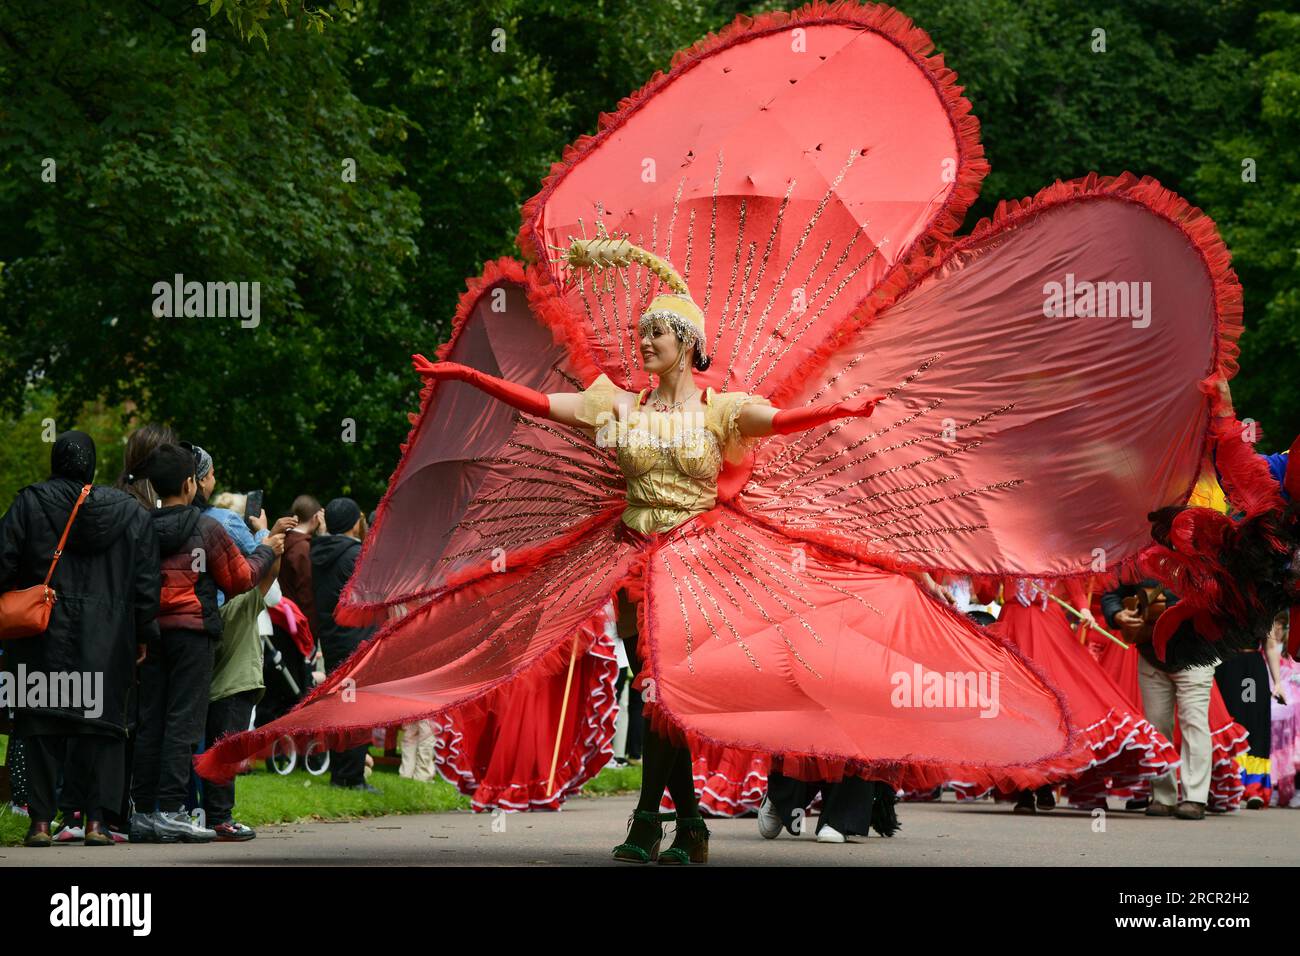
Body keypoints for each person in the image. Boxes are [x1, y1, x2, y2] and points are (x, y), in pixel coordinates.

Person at [0, 431, 160, 847]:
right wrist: (144, 633)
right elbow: (146, 581)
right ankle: (96, 823)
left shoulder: (29, 503)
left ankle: (38, 823)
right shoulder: (130, 513)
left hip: (40, 636)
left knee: (39, 725)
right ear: (92, 466)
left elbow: (4, 561)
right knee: (102, 729)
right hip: (108, 638)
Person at [129, 443, 280, 843]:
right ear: (189, 482)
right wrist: (266, 548)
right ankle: (174, 811)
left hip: (151, 636)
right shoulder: (206, 528)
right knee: (184, 721)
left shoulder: (140, 525)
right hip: (193, 635)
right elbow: (240, 578)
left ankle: (143, 812)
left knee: (151, 722)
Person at [201, 550, 282, 840]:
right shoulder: (241, 606)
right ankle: (221, 819)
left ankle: (208, 814)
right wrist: (271, 539)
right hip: (236, 690)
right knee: (225, 754)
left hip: (211, 692)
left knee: (211, 752)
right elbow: (270, 575)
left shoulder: (206, 613)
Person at [311, 497, 378, 792]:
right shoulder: (355, 555)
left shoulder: (319, 551)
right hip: (357, 641)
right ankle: (353, 777)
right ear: (354, 523)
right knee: (358, 710)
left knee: (341, 707)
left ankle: (342, 773)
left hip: (333, 638)